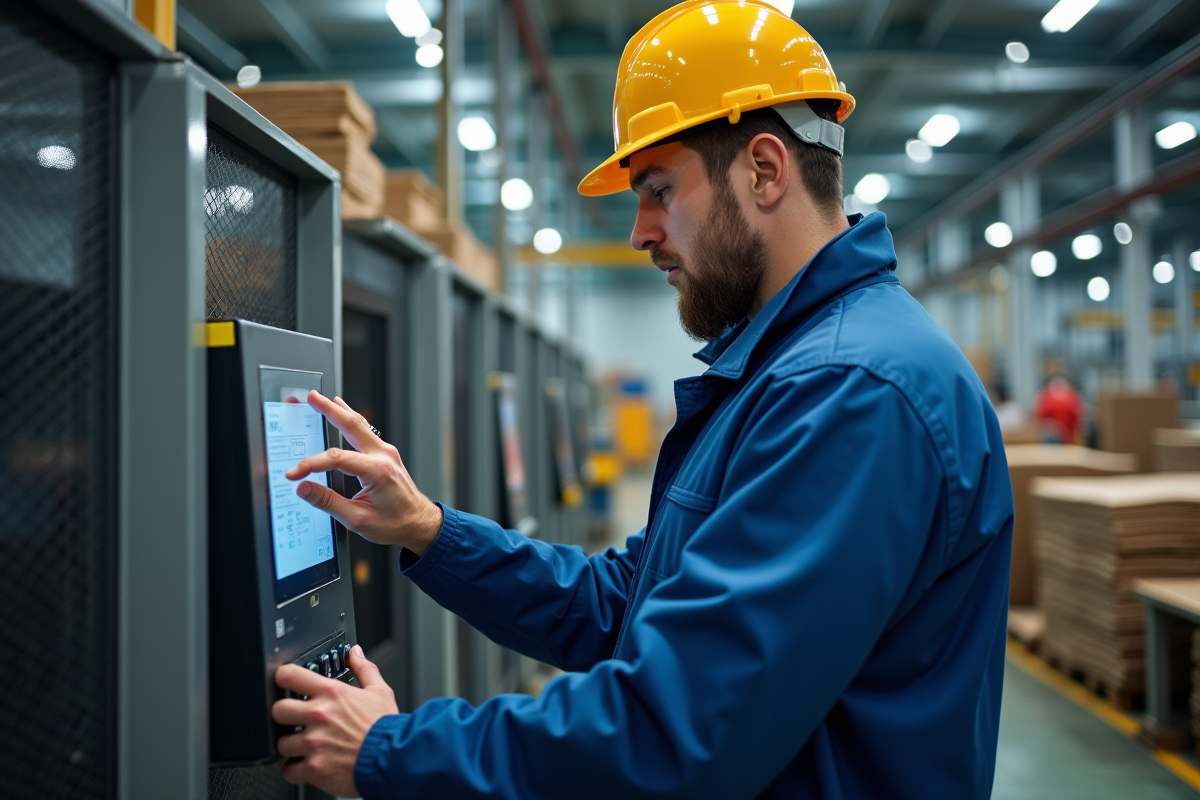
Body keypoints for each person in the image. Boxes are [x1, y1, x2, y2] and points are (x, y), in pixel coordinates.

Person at [271, 2, 1014, 797]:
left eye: (659, 189)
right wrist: (428, 528)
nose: (640, 231)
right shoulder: (783, 372)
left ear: (765, 171)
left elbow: (679, 732)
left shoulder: (848, 392)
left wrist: (391, 751)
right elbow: (625, 602)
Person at [1032, 374, 1086, 444]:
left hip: (1059, 438)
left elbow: (1037, 419)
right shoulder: (1074, 396)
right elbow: (1080, 421)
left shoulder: (1044, 396)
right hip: (1058, 438)